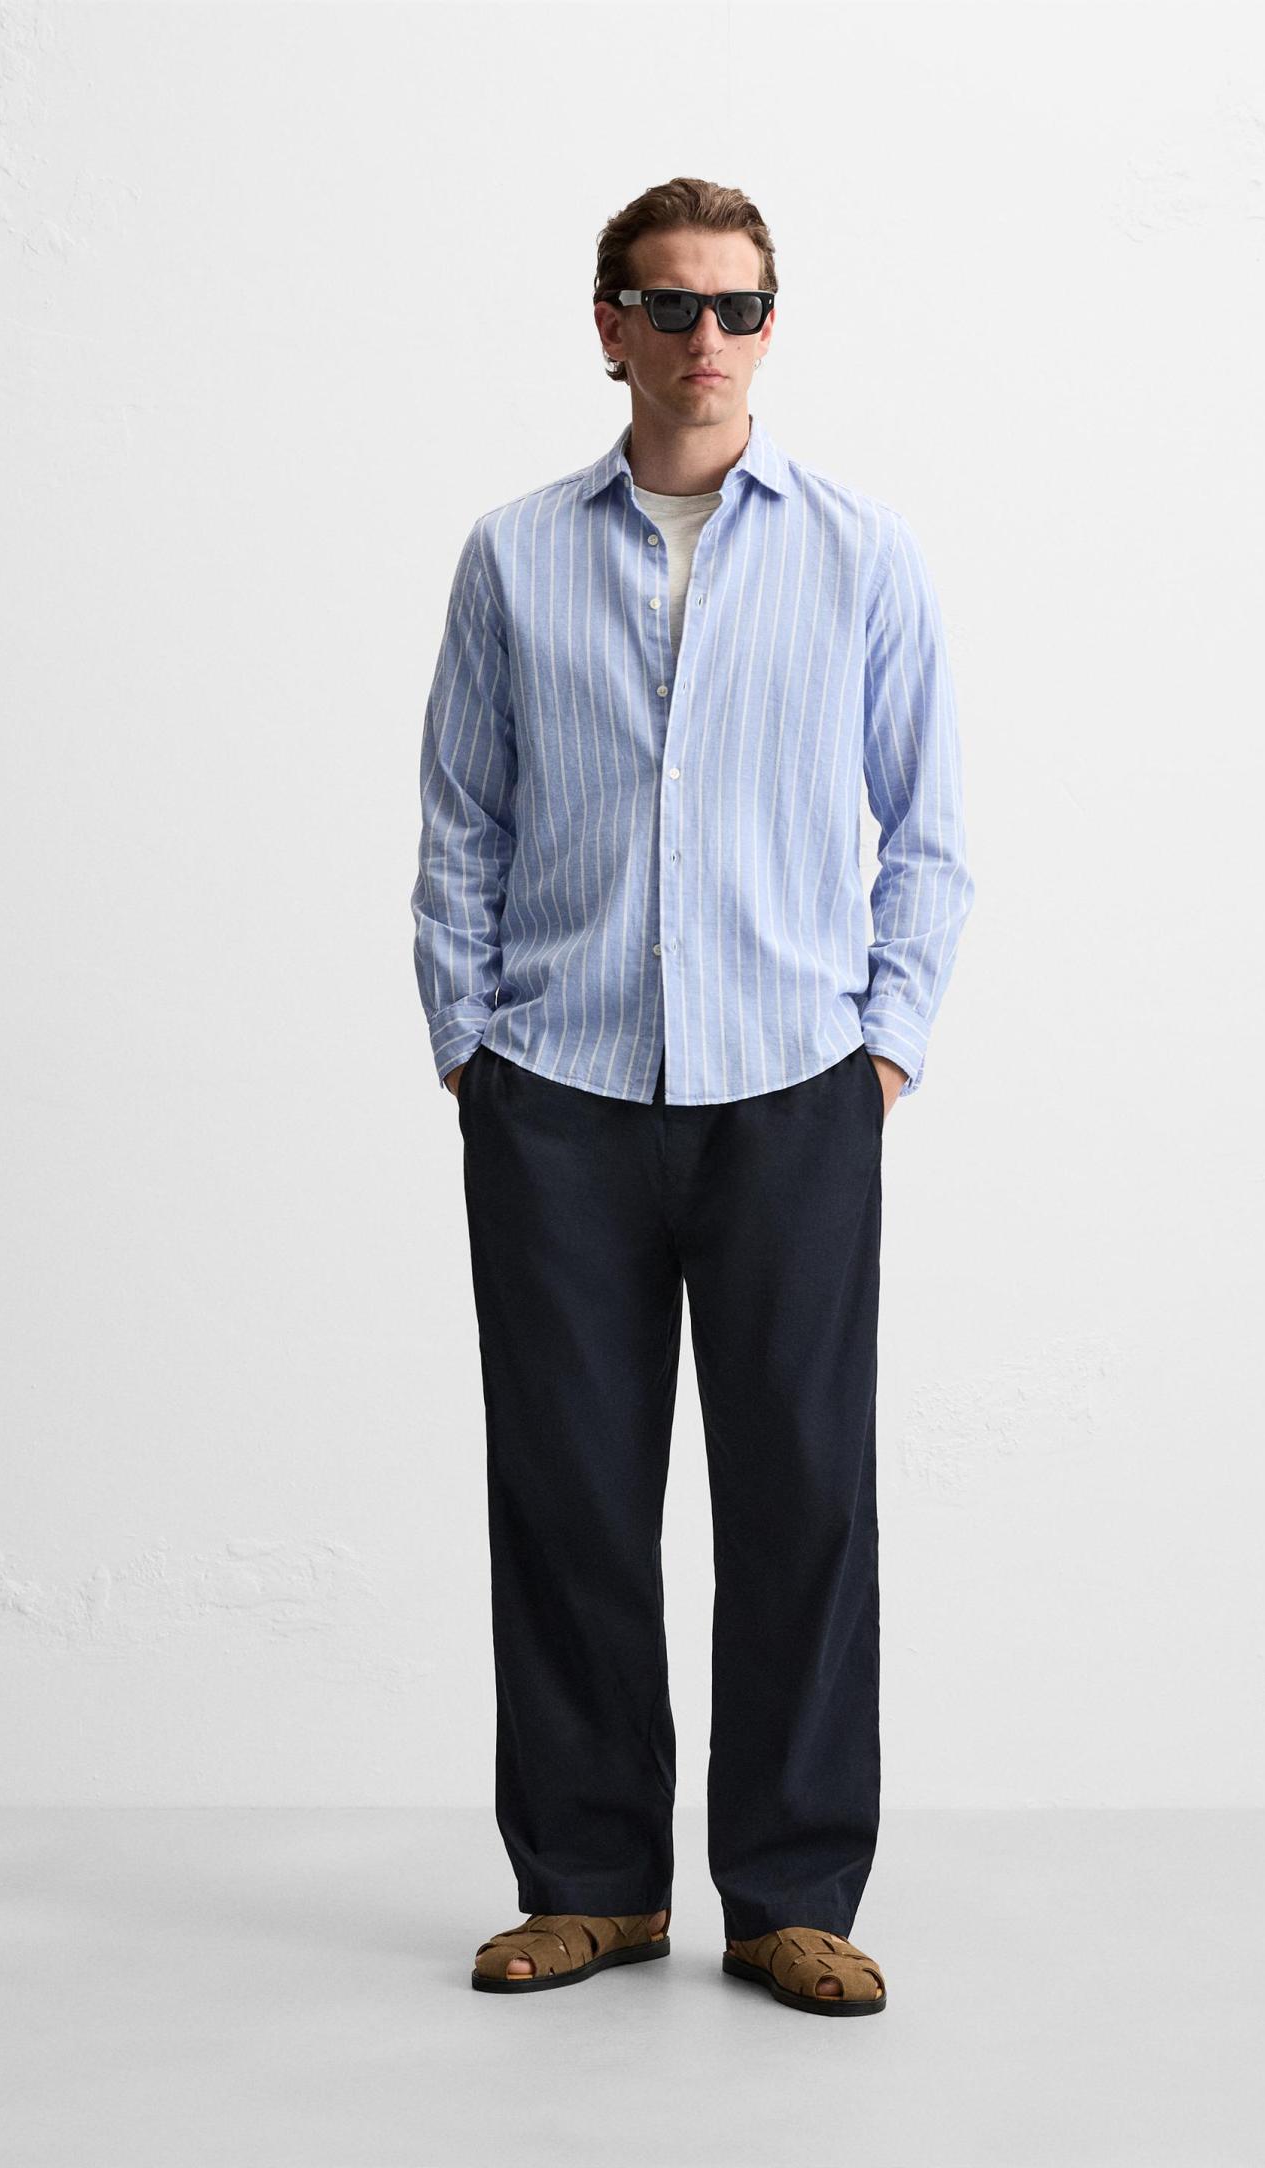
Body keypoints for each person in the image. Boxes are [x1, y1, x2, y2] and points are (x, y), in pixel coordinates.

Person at [410, 176, 974, 2018]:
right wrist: (469, 1042)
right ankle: (591, 1887)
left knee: (803, 1497)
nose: (704, 340)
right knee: (567, 1495)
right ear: (609, 327)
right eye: (669, 306)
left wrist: (881, 1045)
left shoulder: (859, 552)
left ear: (768, 327)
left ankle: (790, 1894)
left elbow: (929, 830)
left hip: (793, 1092)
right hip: (557, 1091)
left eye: (737, 307)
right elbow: (461, 820)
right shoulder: (512, 555)